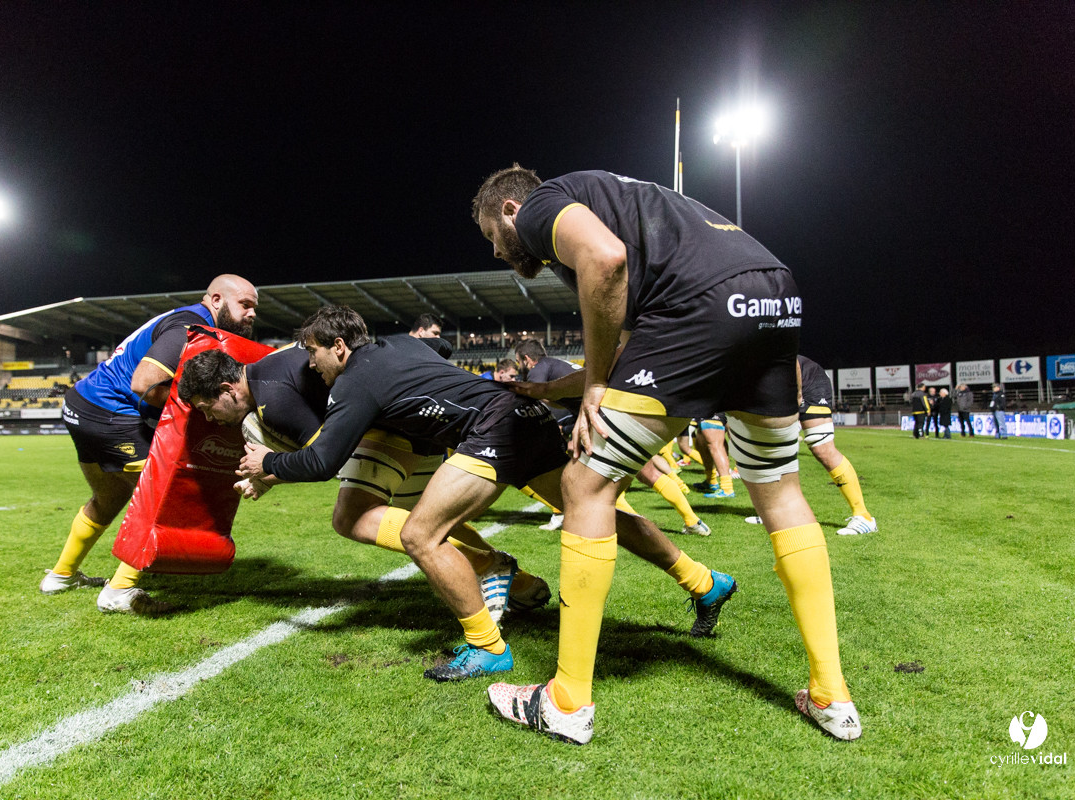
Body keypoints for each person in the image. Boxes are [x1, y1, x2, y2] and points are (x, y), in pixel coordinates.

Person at [473, 165, 859, 743]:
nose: (500, 252)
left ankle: (566, 701)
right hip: (772, 292)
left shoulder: (538, 206)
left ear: (507, 210)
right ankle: (832, 696)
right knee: (781, 492)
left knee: (584, 486)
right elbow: (634, 337)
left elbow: (604, 260)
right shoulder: (623, 204)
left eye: (491, 237)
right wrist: (559, 389)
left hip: (700, 306)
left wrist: (597, 385)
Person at [235, 306, 736, 690]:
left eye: (314, 352)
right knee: (595, 510)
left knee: (420, 534)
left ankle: (486, 646)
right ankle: (704, 581)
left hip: (491, 429)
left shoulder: (353, 382)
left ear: (338, 346)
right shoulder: (401, 345)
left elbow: (322, 463)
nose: (311, 363)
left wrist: (268, 464)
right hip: (519, 417)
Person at [176, 340, 551, 620]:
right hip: (416, 421)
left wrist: (268, 473)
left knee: (352, 515)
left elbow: (321, 461)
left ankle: (489, 567)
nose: (210, 419)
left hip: (392, 428)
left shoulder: (271, 400)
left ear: (227, 390)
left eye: (208, 408)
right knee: (426, 516)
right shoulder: (269, 368)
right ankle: (519, 583)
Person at [41, 274, 259, 614]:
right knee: (166, 496)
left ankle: (61, 576)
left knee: (110, 497)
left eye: (254, 308)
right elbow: (145, 382)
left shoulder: (187, 320)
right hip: (109, 411)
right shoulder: (191, 325)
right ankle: (119, 591)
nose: (252, 314)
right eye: (245, 304)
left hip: (81, 406)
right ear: (216, 300)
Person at [797, 356, 878, 535]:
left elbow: (786, 356)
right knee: (773, 447)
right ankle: (777, 509)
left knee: (822, 448)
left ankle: (863, 516)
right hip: (776, 384)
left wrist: (796, 395)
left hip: (805, 379)